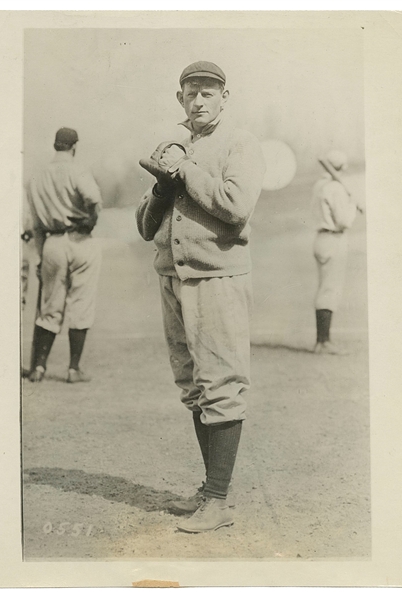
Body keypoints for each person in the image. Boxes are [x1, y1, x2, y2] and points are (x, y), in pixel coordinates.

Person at [136, 61, 266, 533]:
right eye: (191, 92)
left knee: (222, 384)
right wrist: (160, 186)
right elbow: (145, 226)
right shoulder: (174, 146)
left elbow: (235, 207)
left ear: (225, 97)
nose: (199, 100)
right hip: (173, 278)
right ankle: (211, 489)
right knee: (193, 387)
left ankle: (218, 500)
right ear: (180, 99)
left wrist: (184, 171)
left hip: (218, 278)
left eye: (209, 92)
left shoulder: (240, 143)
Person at [26, 127, 103, 383]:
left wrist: (39, 256)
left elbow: (36, 225)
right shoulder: (77, 169)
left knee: (50, 305)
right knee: (81, 303)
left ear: (55, 145)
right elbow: (93, 199)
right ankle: (73, 369)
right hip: (81, 239)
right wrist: (90, 220)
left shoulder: (37, 176)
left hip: (52, 241)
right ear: (74, 146)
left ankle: (38, 367)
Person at [312, 150, 359, 355]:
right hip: (333, 239)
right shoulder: (336, 188)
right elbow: (343, 221)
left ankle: (322, 341)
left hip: (320, 238)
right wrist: (354, 205)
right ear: (341, 167)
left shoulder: (319, 184)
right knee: (330, 290)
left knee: (326, 289)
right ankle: (323, 342)